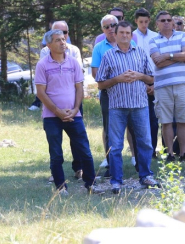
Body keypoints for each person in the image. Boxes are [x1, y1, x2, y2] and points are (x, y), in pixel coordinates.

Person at [35, 29, 103, 194]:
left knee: (84, 151)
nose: (62, 43)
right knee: (56, 153)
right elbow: (41, 93)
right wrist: (57, 111)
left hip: (74, 115)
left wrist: (74, 109)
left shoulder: (73, 62)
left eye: (63, 39)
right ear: (49, 45)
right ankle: (60, 187)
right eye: (58, 40)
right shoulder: (42, 64)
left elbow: (79, 88)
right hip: (52, 117)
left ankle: (91, 184)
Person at [96, 21, 160, 194]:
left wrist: (139, 75)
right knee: (115, 145)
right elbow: (101, 84)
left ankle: (146, 175)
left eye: (128, 33)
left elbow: (151, 79)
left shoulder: (140, 52)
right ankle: (116, 181)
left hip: (139, 105)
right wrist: (117, 79)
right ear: (115, 35)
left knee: (145, 143)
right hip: (117, 107)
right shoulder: (108, 55)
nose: (125, 35)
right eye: (121, 33)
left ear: (132, 35)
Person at [92, 14, 137, 175]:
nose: (110, 29)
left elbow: (137, 68)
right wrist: (118, 78)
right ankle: (111, 165)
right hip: (108, 94)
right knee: (110, 129)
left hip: (131, 92)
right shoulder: (99, 48)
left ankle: (137, 160)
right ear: (102, 30)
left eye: (113, 25)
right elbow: (96, 74)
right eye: (107, 27)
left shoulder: (132, 43)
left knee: (134, 127)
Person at [39, 21, 84, 180]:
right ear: (49, 40)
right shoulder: (45, 53)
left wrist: (75, 107)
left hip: (74, 103)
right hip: (53, 108)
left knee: (78, 141)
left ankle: (79, 168)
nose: (63, 37)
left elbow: (78, 76)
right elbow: (43, 85)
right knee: (55, 144)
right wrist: (57, 110)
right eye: (58, 35)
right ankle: (57, 175)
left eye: (65, 32)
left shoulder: (74, 51)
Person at [149, 10, 185, 162]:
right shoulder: (153, 40)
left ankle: (183, 153)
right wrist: (178, 56)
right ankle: (170, 154)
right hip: (162, 86)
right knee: (166, 121)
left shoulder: (182, 36)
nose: (166, 22)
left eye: (169, 20)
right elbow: (157, 62)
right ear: (157, 24)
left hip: (181, 84)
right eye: (163, 20)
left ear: (173, 22)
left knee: (183, 120)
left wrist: (168, 55)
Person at [132, 8, 159, 157]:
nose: (144, 24)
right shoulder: (131, 37)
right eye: (141, 22)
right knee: (138, 121)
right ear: (136, 21)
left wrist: (154, 84)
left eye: (146, 22)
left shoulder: (155, 37)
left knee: (154, 120)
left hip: (155, 82)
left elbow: (159, 63)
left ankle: (152, 150)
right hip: (137, 84)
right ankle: (138, 152)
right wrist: (142, 82)